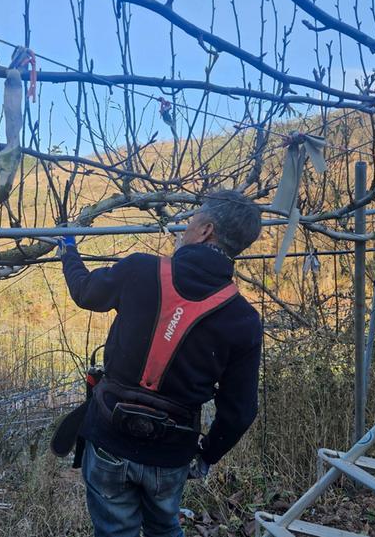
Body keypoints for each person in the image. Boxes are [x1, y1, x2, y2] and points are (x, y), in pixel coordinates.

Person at [57, 190, 263, 537]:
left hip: (111, 435)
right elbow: (240, 410)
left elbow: (84, 291)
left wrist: (67, 246)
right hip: (171, 452)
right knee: (165, 528)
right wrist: (208, 455)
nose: (186, 225)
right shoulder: (243, 319)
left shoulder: (140, 269)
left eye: (194, 218)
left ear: (205, 230)